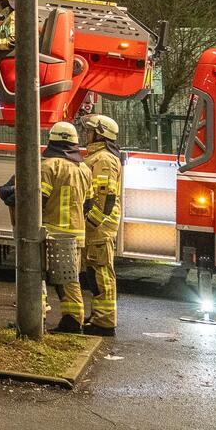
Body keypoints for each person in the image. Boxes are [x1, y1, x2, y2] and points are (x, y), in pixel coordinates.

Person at [40, 120, 94, 333]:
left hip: (53, 231)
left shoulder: (49, 166)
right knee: (70, 279)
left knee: (41, 276)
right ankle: (72, 319)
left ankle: (45, 318)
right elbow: (88, 203)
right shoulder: (84, 168)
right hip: (77, 232)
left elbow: (40, 200)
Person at [80, 113, 124, 336]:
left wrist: (90, 223)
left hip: (99, 228)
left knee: (102, 273)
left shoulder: (104, 159)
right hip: (97, 226)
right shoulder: (98, 157)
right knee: (95, 273)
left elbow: (105, 198)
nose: (86, 134)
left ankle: (105, 322)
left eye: (89, 131)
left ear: (100, 134)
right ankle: (99, 316)